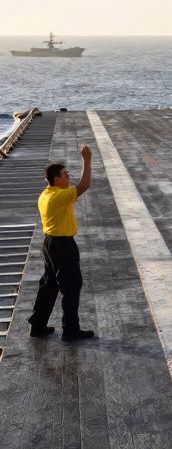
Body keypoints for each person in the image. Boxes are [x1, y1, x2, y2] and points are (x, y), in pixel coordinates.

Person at [29, 145, 96, 341]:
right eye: (65, 175)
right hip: (63, 246)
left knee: (49, 284)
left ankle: (38, 324)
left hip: (50, 244)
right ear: (56, 179)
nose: (69, 177)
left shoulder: (46, 194)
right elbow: (84, 185)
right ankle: (70, 330)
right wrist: (87, 159)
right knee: (71, 285)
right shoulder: (59, 196)